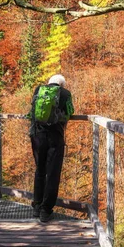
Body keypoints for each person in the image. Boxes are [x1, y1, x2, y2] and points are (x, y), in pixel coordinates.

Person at [28, 74, 74, 222]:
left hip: (37, 136)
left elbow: (32, 112)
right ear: (62, 85)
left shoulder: (38, 90)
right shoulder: (65, 94)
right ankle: (46, 211)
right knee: (53, 173)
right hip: (55, 137)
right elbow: (70, 112)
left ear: (49, 83)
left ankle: (36, 206)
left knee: (40, 170)